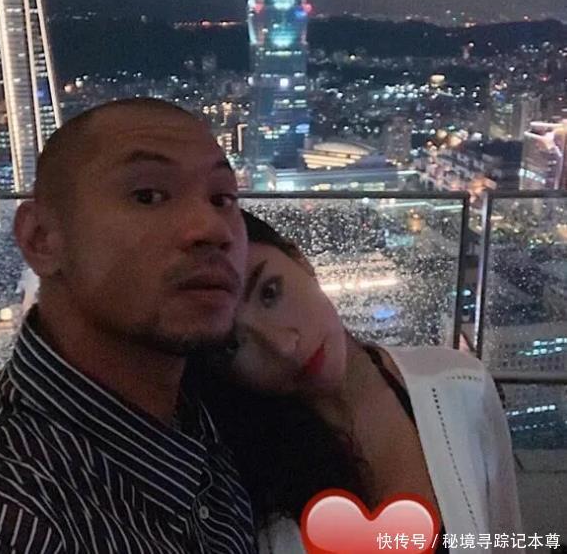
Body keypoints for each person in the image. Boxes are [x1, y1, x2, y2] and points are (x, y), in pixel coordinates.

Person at [0, 99, 256, 553]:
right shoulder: (13, 515)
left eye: (222, 199)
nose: (213, 229)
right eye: (148, 195)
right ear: (41, 239)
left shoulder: (207, 420)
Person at [200, 210, 522, 554]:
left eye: (270, 293)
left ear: (300, 259)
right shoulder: (231, 478)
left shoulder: (461, 388)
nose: (283, 346)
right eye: (233, 345)